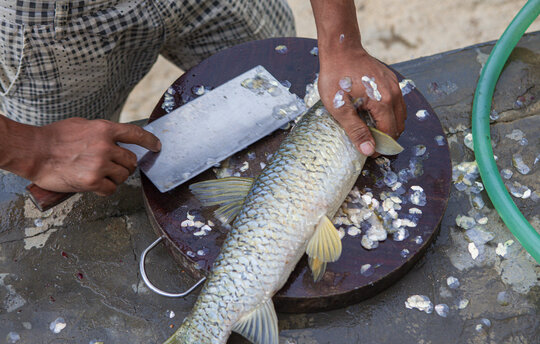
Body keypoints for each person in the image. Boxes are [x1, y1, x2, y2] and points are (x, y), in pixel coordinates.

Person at [0, 0, 405, 197]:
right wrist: (36, 149)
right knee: (77, 177)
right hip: (49, 26)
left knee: (276, 82)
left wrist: (342, 42)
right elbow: (42, 154)